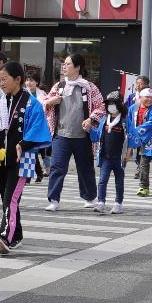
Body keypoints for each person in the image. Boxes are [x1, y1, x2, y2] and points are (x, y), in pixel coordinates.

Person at [0, 60, 50, 256]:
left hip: (22, 159)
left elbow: (39, 128)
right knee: (7, 198)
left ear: (18, 79)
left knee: (10, 199)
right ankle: (17, 233)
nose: (1, 83)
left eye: (4, 79)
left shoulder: (31, 103)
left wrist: (24, 143)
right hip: (2, 158)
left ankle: (5, 236)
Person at [41, 53, 104, 212]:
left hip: (83, 136)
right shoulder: (58, 86)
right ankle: (54, 199)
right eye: (64, 64)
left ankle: (90, 197)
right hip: (61, 135)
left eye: (68, 64)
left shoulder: (89, 87)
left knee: (85, 167)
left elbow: (101, 107)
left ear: (78, 67)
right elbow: (44, 103)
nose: (64, 66)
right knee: (57, 167)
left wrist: (90, 119)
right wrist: (51, 102)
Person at [125, 85, 152, 201]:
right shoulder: (132, 108)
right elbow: (129, 122)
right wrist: (131, 133)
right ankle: (142, 180)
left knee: (144, 162)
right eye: (147, 97)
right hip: (135, 137)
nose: (150, 99)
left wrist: (136, 130)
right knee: (138, 161)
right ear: (140, 97)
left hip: (150, 137)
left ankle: (144, 186)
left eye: (151, 97)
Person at [95, 94, 129, 214]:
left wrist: (128, 153)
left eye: (113, 103)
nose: (111, 106)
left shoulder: (125, 120)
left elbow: (132, 137)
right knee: (102, 180)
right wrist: (89, 129)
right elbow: (97, 135)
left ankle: (118, 203)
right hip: (105, 156)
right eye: (109, 104)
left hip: (119, 157)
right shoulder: (104, 120)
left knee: (119, 181)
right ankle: (101, 202)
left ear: (119, 105)